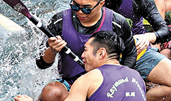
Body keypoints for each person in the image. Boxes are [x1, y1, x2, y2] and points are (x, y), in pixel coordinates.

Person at [35, 0, 137, 101]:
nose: (80, 12)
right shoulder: (59, 21)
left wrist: (120, 80)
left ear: (101, 4)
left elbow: (130, 54)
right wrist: (52, 50)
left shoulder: (118, 23)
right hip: (70, 83)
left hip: (104, 83)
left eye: (86, 8)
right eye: (75, 6)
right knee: (51, 93)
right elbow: (41, 63)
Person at [17, 31, 146, 101]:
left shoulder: (89, 78)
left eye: (85, 50)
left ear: (101, 53)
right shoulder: (137, 76)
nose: (82, 55)